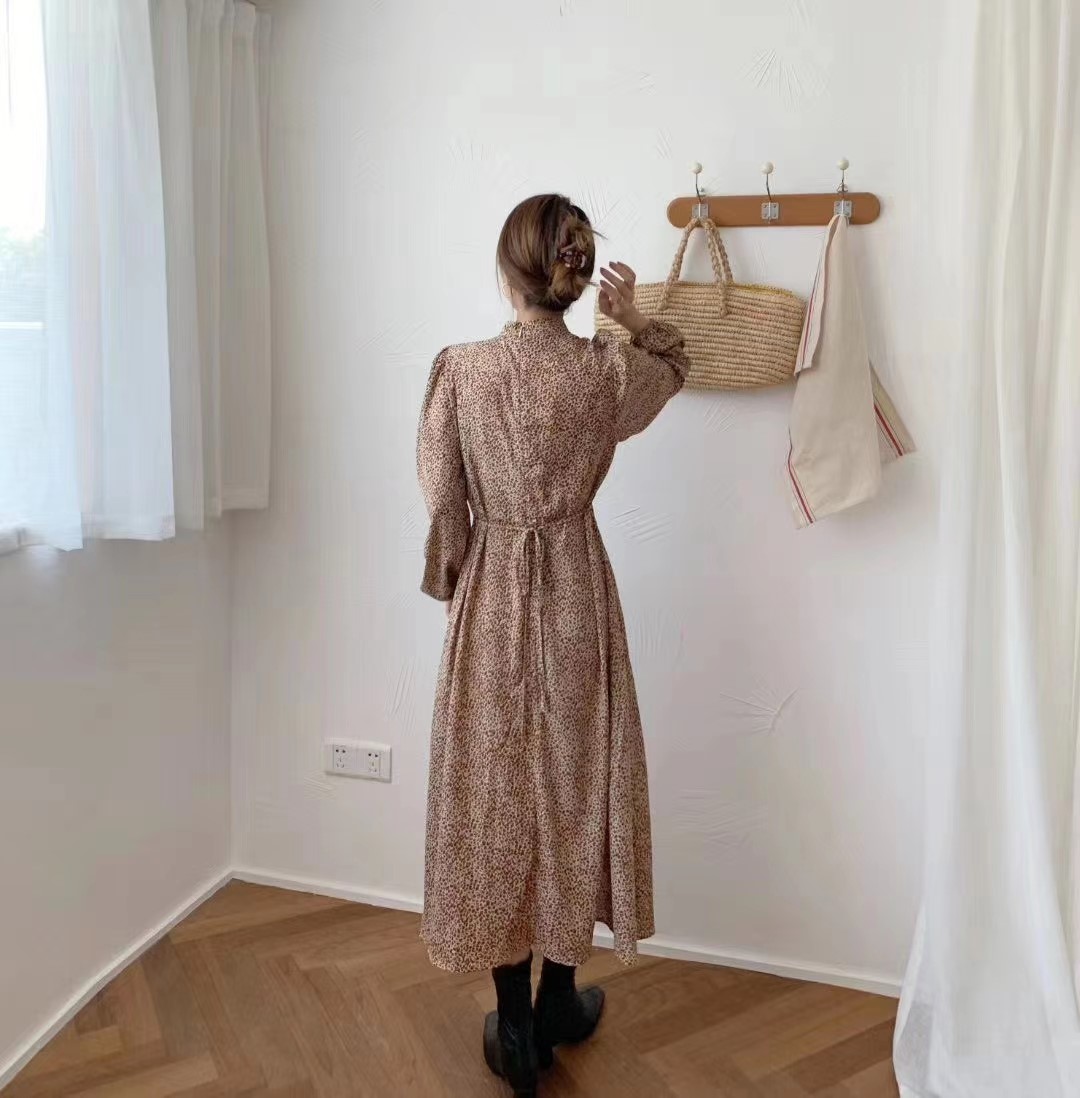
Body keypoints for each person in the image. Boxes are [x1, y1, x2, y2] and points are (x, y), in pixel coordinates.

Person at [416, 193, 689, 1097]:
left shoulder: (461, 371)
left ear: (510, 274)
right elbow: (673, 366)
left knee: (497, 786)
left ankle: (519, 1023)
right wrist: (634, 319)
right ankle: (560, 995)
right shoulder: (605, 372)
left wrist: (454, 581)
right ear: (573, 277)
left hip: (494, 594)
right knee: (577, 781)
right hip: (576, 587)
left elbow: (443, 503)